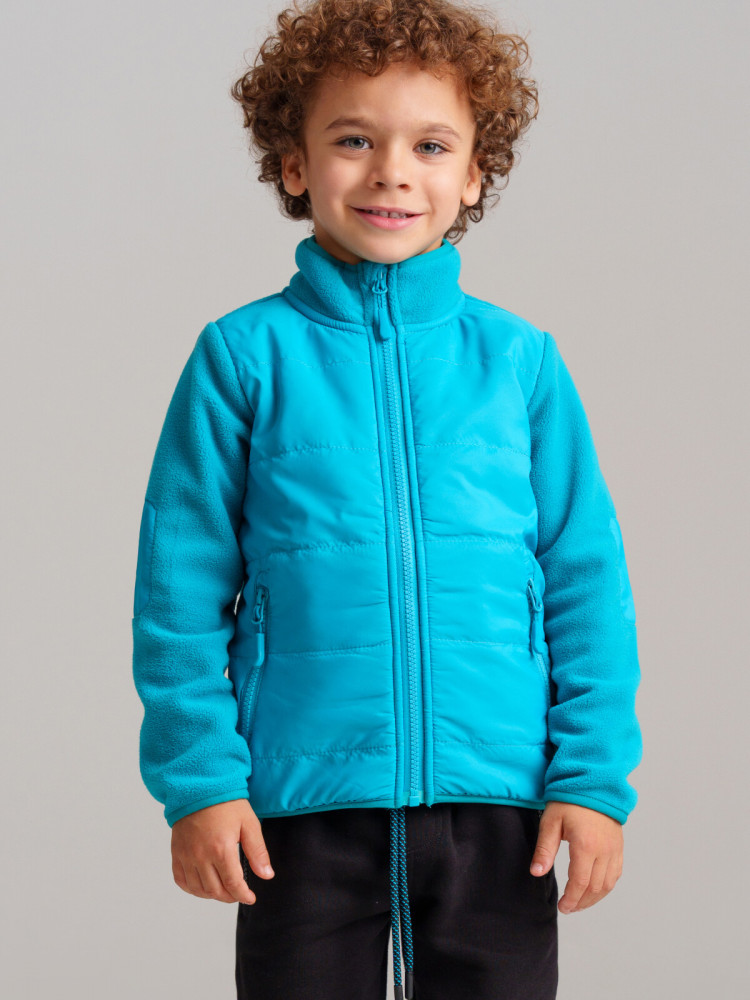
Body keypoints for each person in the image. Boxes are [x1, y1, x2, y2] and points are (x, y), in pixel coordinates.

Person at [130, 1, 643, 998]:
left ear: (475, 173)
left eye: (431, 145)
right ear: (295, 163)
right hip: (300, 802)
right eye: (353, 140)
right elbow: (177, 593)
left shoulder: (519, 362)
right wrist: (200, 782)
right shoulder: (242, 357)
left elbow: (587, 581)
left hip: (501, 801)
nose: (392, 172)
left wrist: (591, 779)